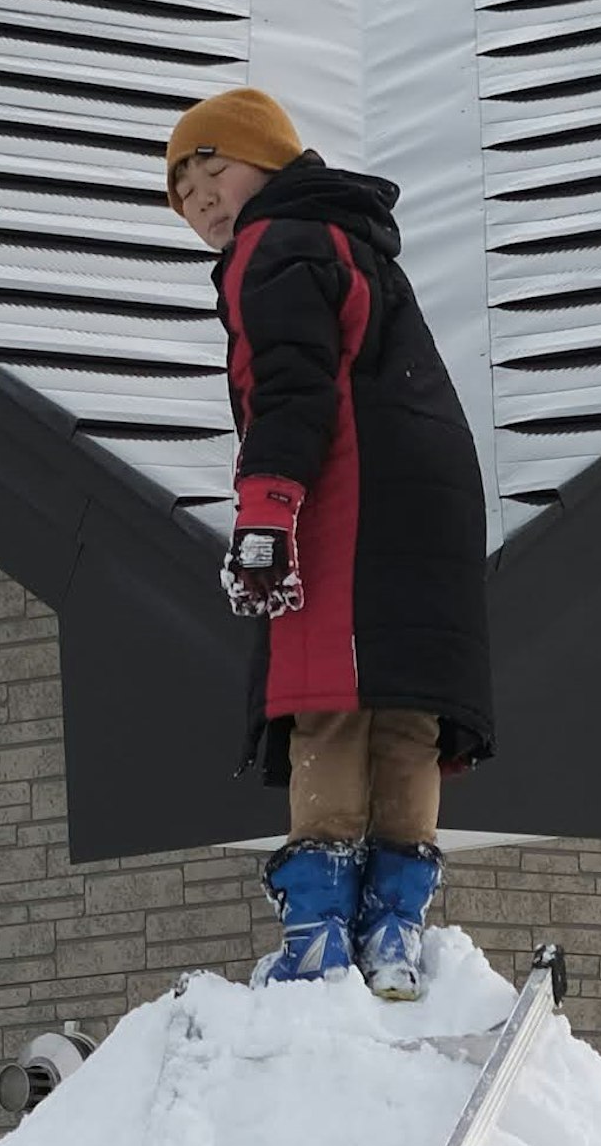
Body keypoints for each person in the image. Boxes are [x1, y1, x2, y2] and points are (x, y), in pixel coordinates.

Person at [164, 85, 494, 997]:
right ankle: (394, 928)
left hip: (352, 500)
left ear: (268, 162)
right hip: (434, 504)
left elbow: (292, 389)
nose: (204, 201)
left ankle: (317, 932)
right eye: (186, 198)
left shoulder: (275, 246)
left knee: (330, 702)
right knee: (407, 713)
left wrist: (267, 514)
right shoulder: (354, 242)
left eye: (213, 170)